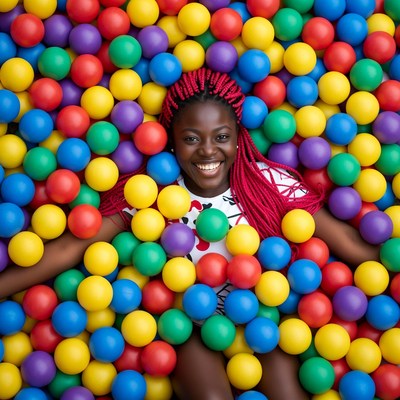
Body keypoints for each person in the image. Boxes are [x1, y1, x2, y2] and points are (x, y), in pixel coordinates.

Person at [0, 68, 380, 399]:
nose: (208, 151)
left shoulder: (268, 183)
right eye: (192, 138)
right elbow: (72, 247)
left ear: (239, 136)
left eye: (221, 136)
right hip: (186, 324)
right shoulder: (154, 195)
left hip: (260, 318)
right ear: (172, 140)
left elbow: (342, 239)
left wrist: (387, 267)